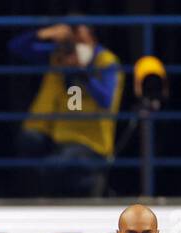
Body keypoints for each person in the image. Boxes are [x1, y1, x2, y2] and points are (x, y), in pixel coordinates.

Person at [10, 19, 123, 198]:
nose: (76, 47)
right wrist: (46, 33)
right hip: (63, 139)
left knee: (57, 165)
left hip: (93, 144)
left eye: (81, 41)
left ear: (93, 39)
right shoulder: (61, 58)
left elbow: (105, 100)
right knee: (30, 144)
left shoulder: (106, 63)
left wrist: (83, 72)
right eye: (71, 43)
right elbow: (17, 47)